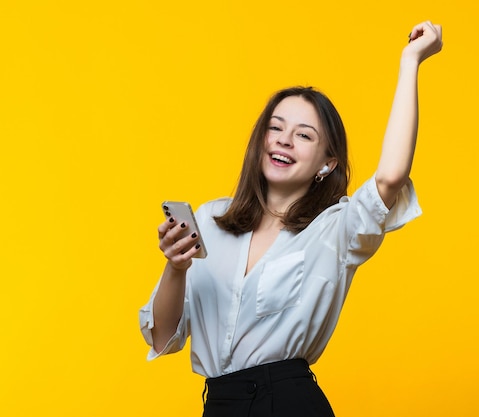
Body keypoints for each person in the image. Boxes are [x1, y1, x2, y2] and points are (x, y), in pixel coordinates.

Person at [140, 21, 443, 417]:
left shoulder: (336, 229)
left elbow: (390, 176)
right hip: (220, 405)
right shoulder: (211, 218)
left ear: (327, 163)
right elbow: (163, 337)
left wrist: (410, 61)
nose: (284, 140)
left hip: (289, 404)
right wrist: (175, 267)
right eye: (276, 128)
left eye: (304, 135)